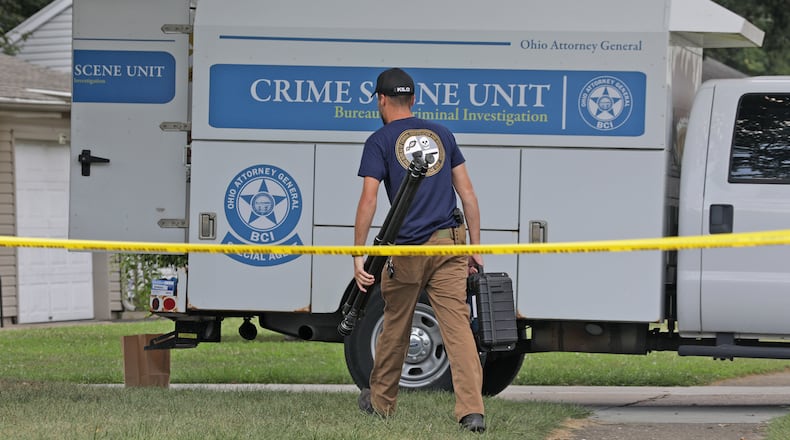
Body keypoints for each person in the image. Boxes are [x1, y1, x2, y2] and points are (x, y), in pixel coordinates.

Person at [352, 67, 486, 433]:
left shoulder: (379, 140)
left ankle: (381, 403)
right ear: (413, 100)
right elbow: (468, 194)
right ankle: (471, 412)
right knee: (457, 327)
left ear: (381, 99)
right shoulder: (442, 135)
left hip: (407, 251)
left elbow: (369, 200)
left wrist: (357, 254)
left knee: (396, 325)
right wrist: (475, 247)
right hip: (450, 246)